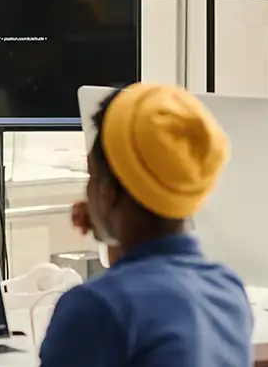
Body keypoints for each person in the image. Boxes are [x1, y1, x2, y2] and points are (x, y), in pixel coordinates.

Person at [39, 83, 253, 366]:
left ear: (108, 192)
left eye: (91, 176)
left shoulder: (95, 309)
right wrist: (107, 221)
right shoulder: (227, 291)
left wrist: (107, 223)